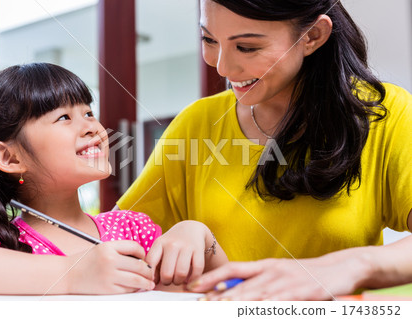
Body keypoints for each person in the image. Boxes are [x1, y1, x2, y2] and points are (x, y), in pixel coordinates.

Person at [117, 0, 412, 300]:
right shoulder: (196, 124)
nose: (223, 67)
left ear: (312, 36)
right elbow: (111, 241)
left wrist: (349, 267)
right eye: (209, 40)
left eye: (246, 47)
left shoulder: (384, 114)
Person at [0, 63, 227, 295]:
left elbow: (225, 296)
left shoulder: (132, 228)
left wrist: (200, 236)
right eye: (64, 117)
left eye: (88, 113)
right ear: (9, 158)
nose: (93, 128)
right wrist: (73, 274)